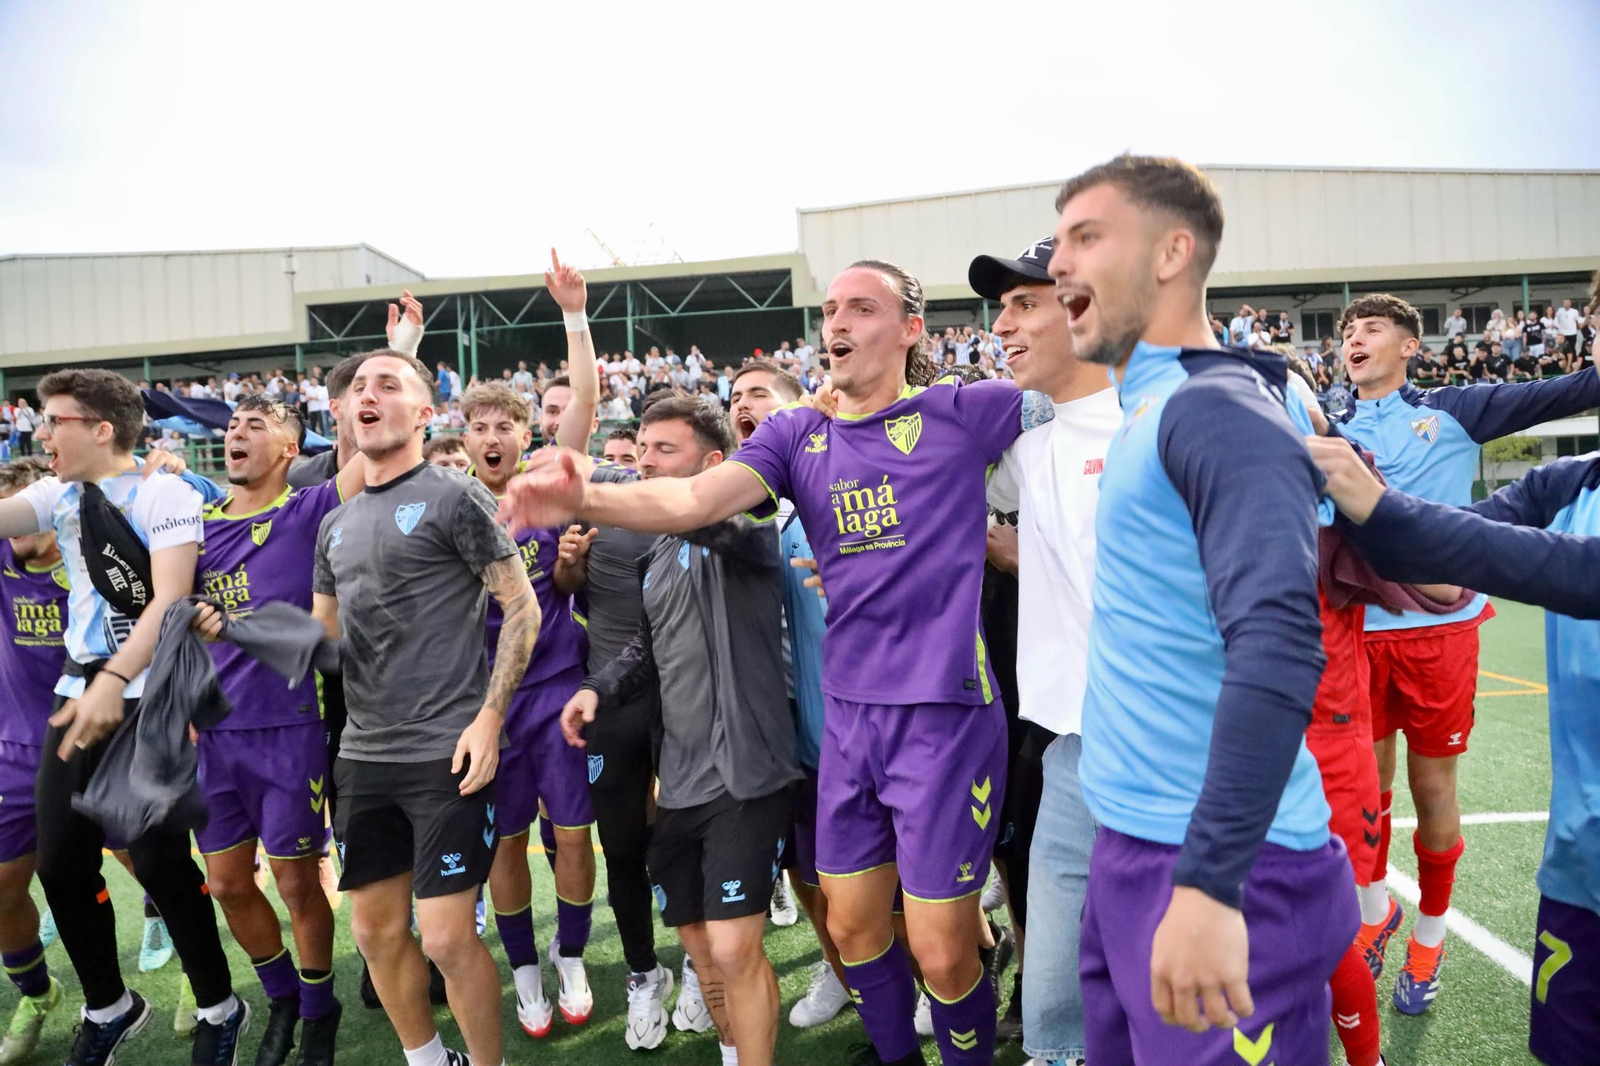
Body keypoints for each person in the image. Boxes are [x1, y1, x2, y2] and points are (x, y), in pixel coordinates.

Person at [502, 259, 1035, 1066]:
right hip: (847, 724)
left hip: (945, 717)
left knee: (941, 948)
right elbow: (690, 500)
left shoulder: (965, 412)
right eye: (831, 309)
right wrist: (587, 497)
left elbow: (1090, 406)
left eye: (863, 307)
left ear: (913, 328)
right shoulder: (798, 433)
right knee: (853, 929)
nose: (839, 323)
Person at [1045, 155, 1359, 1064]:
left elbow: (1279, 645)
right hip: (1133, 843)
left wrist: (1213, 884)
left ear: (1174, 251)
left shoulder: (1215, 409)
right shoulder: (1145, 411)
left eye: (1086, 237)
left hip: (1226, 869)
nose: (1060, 263)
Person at [1304, 406, 1600, 1066]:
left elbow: (1567, 570)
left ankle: (1421, 940)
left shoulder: (1457, 416)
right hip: (1581, 873)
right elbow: (1444, 548)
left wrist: (1377, 508)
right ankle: (1381, 916)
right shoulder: (1568, 483)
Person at [0, 370, 248, 1065]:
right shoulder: (59, 495)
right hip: (80, 692)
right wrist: (98, 680)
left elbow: (170, 602)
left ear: (100, 429)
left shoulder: (163, 491)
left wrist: (113, 678)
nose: (40, 432)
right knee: (60, 860)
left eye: (54, 420)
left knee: (163, 863)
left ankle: (219, 1005)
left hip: (146, 697)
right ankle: (110, 1006)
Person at [312, 349, 537, 1066]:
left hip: (447, 750)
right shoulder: (333, 526)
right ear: (343, 414)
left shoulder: (454, 496)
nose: (367, 394)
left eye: (388, 384)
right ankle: (428, 1058)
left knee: (443, 936)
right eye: (357, 388)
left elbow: (521, 608)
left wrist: (490, 717)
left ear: (424, 411)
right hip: (363, 757)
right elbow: (321, 641)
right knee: (376, 934)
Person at [562, 395, 798, 1066]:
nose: (644, 461)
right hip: (681, 779)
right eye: (641, 449)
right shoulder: (656, 555)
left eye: (664, 450)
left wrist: (674, 501)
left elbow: (708, 522)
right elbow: (645, 645)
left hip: (748, 773)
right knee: (698, 945)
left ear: (715, 463)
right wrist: (595, 687)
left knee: (731, 947)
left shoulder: (752, 529)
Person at [968, 236, 1120, 1066]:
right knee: (1055, 1003)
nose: (1003, 325)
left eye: (1024, 304)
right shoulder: (1031, 443)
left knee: (1178, 990)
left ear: (1083, 307)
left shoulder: (1164, 425)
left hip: (1173, 759)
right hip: (1068, 752)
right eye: (1003, 309)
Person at [188, 395, 369, 1066]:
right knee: (230, 883)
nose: (237, 433)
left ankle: (320, 1013)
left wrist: (397, 353)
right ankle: (283, 998)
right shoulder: (195, 526)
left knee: (296, 884)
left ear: (290, 449)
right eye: (233, 426)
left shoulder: (307, 511)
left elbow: (359, 450)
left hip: (287, 728)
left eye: (255, 426)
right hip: (212, 732)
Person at [0, 457, 68, 1065]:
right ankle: (37, 993)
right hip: (16, 755)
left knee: (154, 869)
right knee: (1, 888)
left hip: (100, 743)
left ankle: (197, 980)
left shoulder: (92, 564)